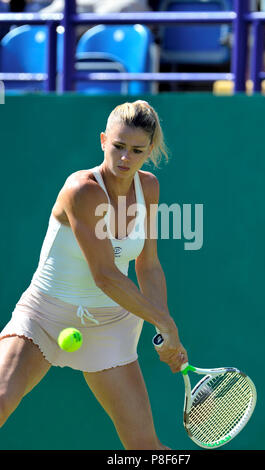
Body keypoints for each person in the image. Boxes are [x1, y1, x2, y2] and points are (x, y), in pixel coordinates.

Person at [0, 100, 188, 450]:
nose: (124, 159)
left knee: (146, 447)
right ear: (103, 140)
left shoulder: (149, 189)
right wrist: (165, 323)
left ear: (148, 151)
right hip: (44, 315)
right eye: (118, 146)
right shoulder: (82, 189)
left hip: (110, 324)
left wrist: (164, 327)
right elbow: (104, 274)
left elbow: (148, 265)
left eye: (136, 150)